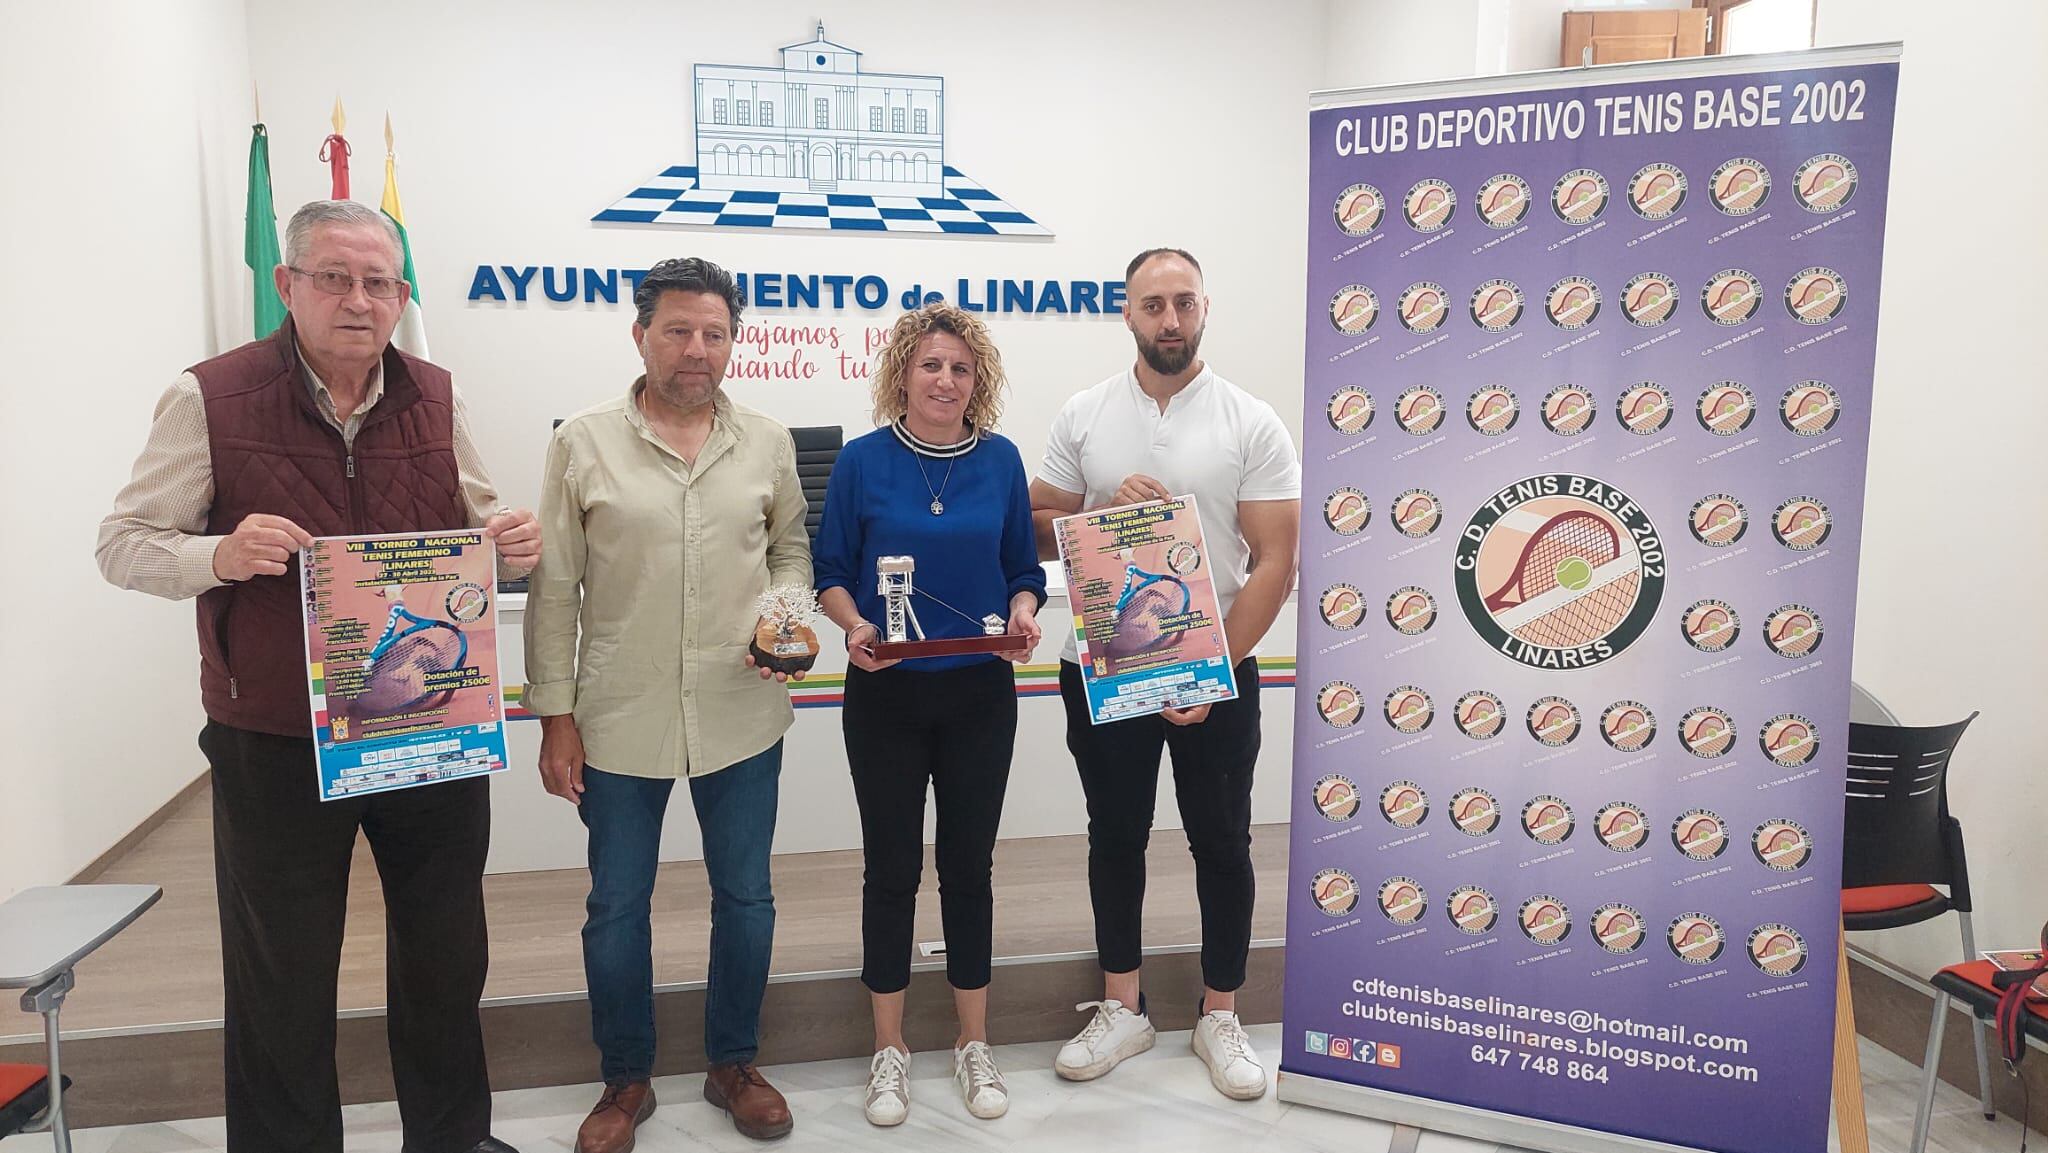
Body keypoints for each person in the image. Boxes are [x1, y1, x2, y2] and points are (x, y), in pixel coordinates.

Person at [95, 199, 540, 1153]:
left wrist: (511, 543)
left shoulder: (437, 394)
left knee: (445, 954)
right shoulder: (209, 396)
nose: (359, 299)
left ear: (401, 296)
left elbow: (482, 520)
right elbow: (123, 545)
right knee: (282, 969)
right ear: (288, 285)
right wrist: (218, 553)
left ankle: (453, 1138)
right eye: (335, 277)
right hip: (277, 737)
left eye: (380, 282)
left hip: (427, 727)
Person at [524, 257, 810, 1152]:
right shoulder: (583, 442)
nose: (697, 349)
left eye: (715, 333)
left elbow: (792, 552)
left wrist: (786, 620)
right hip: (619, 714)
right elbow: (555, 585)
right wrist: (555, 715)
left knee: (748, 896)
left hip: (740, 711)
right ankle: (626, 1077)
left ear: (734, 341)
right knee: (616, 904)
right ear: (640, 333)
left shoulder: (766, 440)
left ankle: (734, 1063)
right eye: (679, 330)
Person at [1028, 247, 1300, 1101]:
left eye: (1184, 302)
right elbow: (1038, 528)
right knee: (1114, 836)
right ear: (1128, 313)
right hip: (1102, 668)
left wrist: (1206, 671)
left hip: (1216, 675)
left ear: (1205, 309)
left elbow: (1275, 560)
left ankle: (1220, 1011)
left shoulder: (1250, 420)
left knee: (1222, 840)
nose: (1170, 319)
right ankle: (1124, 1005)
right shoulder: (1084, 412)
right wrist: (1094, 513)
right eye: (1153, 305)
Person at [813, 302, 1046, 1127]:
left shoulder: (1002, 460)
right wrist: (854, 625)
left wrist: (1022, 611)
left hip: (981, 694)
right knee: (889, 868)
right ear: (902, 374)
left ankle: (972, 1042)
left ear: (976, 379)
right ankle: (890, 1048)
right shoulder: (863, 462)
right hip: (885, 693)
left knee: (969, 866)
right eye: (930, 365)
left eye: (960, 367)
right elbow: (831, 569)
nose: (945, 380)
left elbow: (1024, 567)